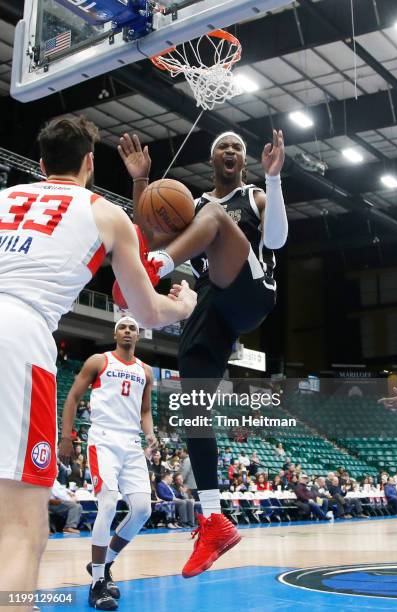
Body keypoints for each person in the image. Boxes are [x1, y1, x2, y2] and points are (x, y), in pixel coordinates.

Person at [0, 116, 196, 606]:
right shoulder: (106, 214)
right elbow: (147, 308)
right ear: (90, 163)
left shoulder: (4, 199)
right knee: (22, 530)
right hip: (18, 335)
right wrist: (184, 307)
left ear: (41, 165)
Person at [116, 127, 287, 577]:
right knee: (192, 404)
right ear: (212, 160)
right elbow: (149, 233)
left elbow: (278, 241)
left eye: (237, 148)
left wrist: (273, 179)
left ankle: (154, 274)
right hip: (215, 304)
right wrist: (141, 182)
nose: (230, 152)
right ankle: (213, 520)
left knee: (210, 216)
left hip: (253, 290)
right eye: (222, 148)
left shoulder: (253, 195)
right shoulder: (189, 203)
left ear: (243, 161)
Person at [59, 316, 159, 609]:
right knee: (108, 503)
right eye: (123, 327)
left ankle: (102, 564)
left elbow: (145, 411)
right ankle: (96, 585)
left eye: (133, 329)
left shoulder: (146, 371)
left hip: (131, 443)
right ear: (116, 333)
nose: (128, 331)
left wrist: (150, 435)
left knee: (142, 510)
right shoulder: (98, 361)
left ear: (138, 336)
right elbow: (73, 397)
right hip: (103, 439)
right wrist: (66, 437)